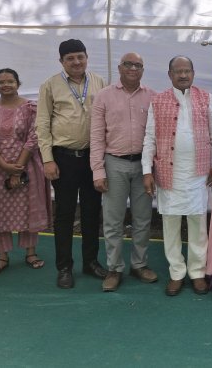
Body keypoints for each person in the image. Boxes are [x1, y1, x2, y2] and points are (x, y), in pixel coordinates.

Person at [142, 56, 212, 296]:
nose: (183, 75)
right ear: (169, 75)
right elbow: (149, 138)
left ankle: (197, 272)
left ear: (193, 73)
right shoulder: (158, 101)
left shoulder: (205, 98)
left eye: (187, 70)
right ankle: (176, 273)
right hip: (168, 172)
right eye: (178, 71)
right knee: (171, 223)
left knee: (198, 223)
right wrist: (147, 171)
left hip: (198, 173)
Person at [36, 39, 107, 289]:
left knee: (91, 212)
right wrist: (47, 159)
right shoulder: (50, 86)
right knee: (64, 215)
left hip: (93, 158)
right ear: (61, 62)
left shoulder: (99, 82)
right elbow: (42, 125)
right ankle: (64, 267)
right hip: (63, 158)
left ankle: (90, 262)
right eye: (70, 58)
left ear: (87, 57)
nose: (76, 62)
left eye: (80, 56)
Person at [91, 53, 156, 292]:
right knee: (113, 221)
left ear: (143, 69)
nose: (133, 68)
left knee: (143, 219)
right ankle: (114, 268)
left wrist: (154, 169)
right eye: (128, 64)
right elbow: (97, 137)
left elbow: (157, 135)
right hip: (114, 163)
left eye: (138, 65)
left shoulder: (153, 97)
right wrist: (98, 171)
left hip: (143, 166)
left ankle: (139, 264)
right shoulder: (104, 96)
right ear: (119, 68)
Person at [0, 68, 51, 276]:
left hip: (27, 165)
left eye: (10, 81)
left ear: (18, 83)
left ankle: (30, 253)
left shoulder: (30, 108)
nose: (6, 85)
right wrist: (4, 166)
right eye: (1, 82)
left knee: (27, 209)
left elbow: (34, 137)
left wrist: (18, 167)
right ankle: (2, 256)